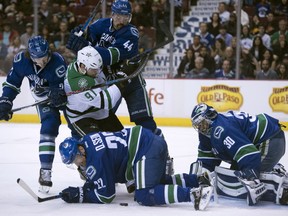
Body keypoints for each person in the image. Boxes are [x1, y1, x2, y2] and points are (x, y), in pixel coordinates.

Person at [66, 0, 162, 138]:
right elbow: (90, 38)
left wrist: (85, 47)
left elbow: (111, 55)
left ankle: (161, 153)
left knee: (144, 121)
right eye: (118, 16)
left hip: (130, 79)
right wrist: (82, 35)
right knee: (102, 117)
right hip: (108, 81)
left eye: (125, 17)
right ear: (112, 14)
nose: (121, 20)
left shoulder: (131, 32)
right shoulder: (102, 24)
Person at [58, 126, 213, 210]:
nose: (77, 164)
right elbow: (103, 175)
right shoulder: (87, 139)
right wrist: (88, 187)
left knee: (144, 194)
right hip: (149, 141)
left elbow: (106, 196)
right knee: (158, 182)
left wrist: (81, 195)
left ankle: (195, 195)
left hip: (145, 149)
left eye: (76, 159)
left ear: (81, 150)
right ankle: (199, 180)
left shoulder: (95, 160)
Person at [0, 35, 75, 193]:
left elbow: (64, 85)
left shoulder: (58, 61)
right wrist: (5, 101)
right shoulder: (21, 60)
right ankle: (45, 171)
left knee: (77, 125)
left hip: (65, 98)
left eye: (44, 57)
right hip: (42, 100)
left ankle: (87, 163)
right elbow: (12, 83)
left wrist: (59, 93)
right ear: (30, 55)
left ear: (49, 52)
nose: (42, 62)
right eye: (37, 59)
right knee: (48, 126)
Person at [190, 103, 288, 206]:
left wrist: (251, 176)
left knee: (245, 182)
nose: (201, 128)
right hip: (258, 143)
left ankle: (282, 186)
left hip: (270, 139)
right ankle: (273, 168)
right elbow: (206, 160)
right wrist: (197, 179)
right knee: (235, 177)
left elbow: (249, 154)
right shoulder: (206, 134)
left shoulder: (223, 128)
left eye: (203, 123)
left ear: (210, 116)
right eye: (198, 125)